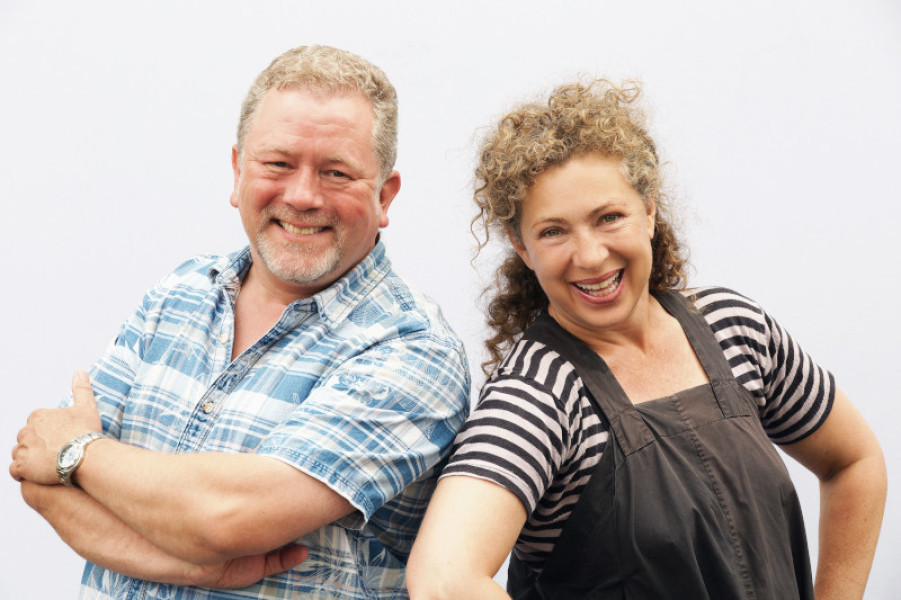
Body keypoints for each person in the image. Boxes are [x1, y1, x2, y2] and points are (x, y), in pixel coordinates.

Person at [9, 45, 470, 599]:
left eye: (336, 172)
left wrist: (78, 453)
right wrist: (200, 569)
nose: (302, 196)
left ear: (384, 195)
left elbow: (223, 519)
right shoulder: (179, 295)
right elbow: (42, 484)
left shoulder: (413, 349)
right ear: (236, 171)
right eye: (278, 164)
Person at [407, 80, 886, 599]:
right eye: (553, 231)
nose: (589, 256)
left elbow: (854, 461)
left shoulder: (732, 327)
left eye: (609, 217)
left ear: (650, 210)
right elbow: (442, 579)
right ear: (522, 248)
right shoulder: (539, 395)